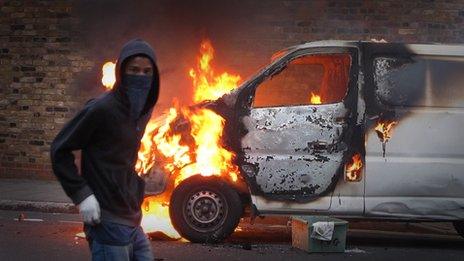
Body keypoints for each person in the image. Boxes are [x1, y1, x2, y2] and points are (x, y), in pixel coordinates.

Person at [50, 39, 159, 260]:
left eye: (147, 71)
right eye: (134, 70)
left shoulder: (142, 112)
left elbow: (120, 158)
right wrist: (82, 195)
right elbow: (59, 150)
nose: (141, 77)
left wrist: (139, 183)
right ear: (121, 72)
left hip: (132, 219)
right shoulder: (102, 109)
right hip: (107, 220)